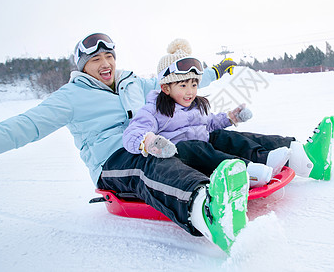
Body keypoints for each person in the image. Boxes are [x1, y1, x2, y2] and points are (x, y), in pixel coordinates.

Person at [0, 33, 334, 253]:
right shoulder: (70, 97)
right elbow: (25, 126)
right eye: (95, 59)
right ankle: (207, 207)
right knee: (148, 166)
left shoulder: (132, 83)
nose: (105, 64)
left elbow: (173, 79)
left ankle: (297, 154)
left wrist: (216, 70)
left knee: (210, 134)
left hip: (162, 142)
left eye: (109, 57)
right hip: (115, 161)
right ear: (83, 65)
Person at [122, 39, 291, 188]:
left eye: (194, 85)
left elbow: (209, 123)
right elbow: (131, 133)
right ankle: (245, 172)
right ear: (166, 87)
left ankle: (264, 158)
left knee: (222, 137)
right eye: (183, 86)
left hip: (203, 153)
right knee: (196, 147)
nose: (190, 92)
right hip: (181, 161)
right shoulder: (154, 109)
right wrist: (149, 142)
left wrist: (231, 117)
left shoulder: (194, 105)